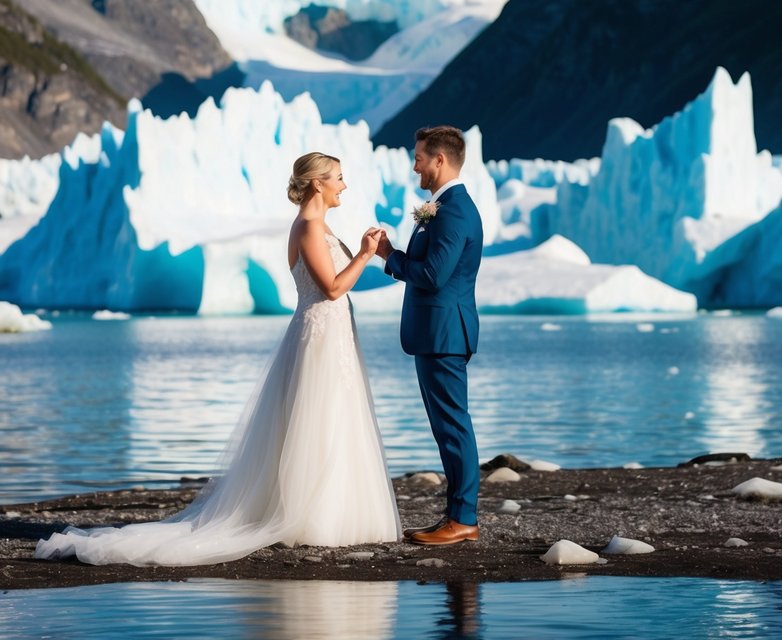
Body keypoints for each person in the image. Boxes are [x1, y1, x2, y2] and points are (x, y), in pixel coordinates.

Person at [35, 153, 401, 566]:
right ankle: (313, 516)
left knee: (336, 418)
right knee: (320, 419)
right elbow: (333, 288)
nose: (344, 185)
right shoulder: (309, 227)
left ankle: (335, 511)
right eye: (338, 177)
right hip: (319, 337)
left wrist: (368, 251)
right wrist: (366, 253)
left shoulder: (319, 226)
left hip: (330, 336)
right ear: (317, 183)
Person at [377, 125, 483, 546]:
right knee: (448, 427)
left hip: (444, 333)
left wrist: (390, 258)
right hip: (437, 333)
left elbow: (434, 276)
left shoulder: (454, 210)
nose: (415, 164)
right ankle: (458, 514)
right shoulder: (442, 206)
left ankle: (463, 518)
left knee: (454, 426)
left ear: (440, 160)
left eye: (420, 156)